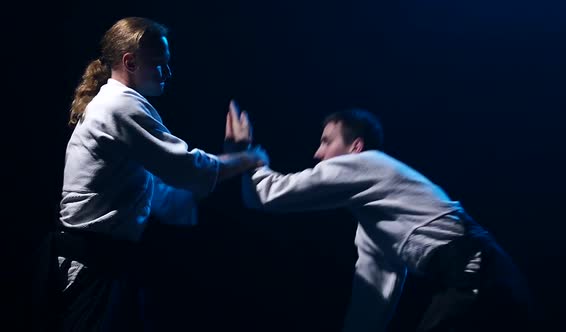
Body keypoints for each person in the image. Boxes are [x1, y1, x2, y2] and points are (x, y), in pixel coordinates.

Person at [32, 16, 267, 332]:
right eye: (159, 64)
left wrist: (226, 162)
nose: (168, 72)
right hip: (92, 265)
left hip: (104, 264)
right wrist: (247, 157)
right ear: (130, 62)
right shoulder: (120, 106)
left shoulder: (113, 105)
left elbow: (160, 191)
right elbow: (186, 168)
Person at [227, 107, 533, 332]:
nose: (318, 153)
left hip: (477, 269)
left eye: (326, 141)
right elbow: (373, 297)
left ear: (355, 147)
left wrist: (245, 154)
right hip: (478, 273)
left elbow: (270, 194)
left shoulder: (367, 163)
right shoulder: (375, 223)